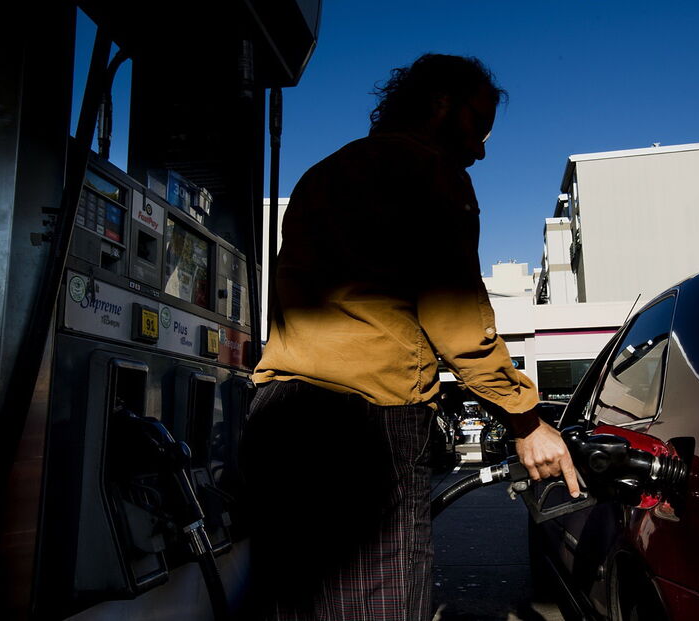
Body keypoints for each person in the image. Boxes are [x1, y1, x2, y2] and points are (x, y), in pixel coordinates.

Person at [242, 53, 579, 621]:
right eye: (478, 124)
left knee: (296, 602)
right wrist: (526, 419)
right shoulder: (430, 171)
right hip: (366, 421)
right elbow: (458, 319)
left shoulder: (322, 174)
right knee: (382, 597)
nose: (481, 147)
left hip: (277, 416)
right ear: (441, 104)